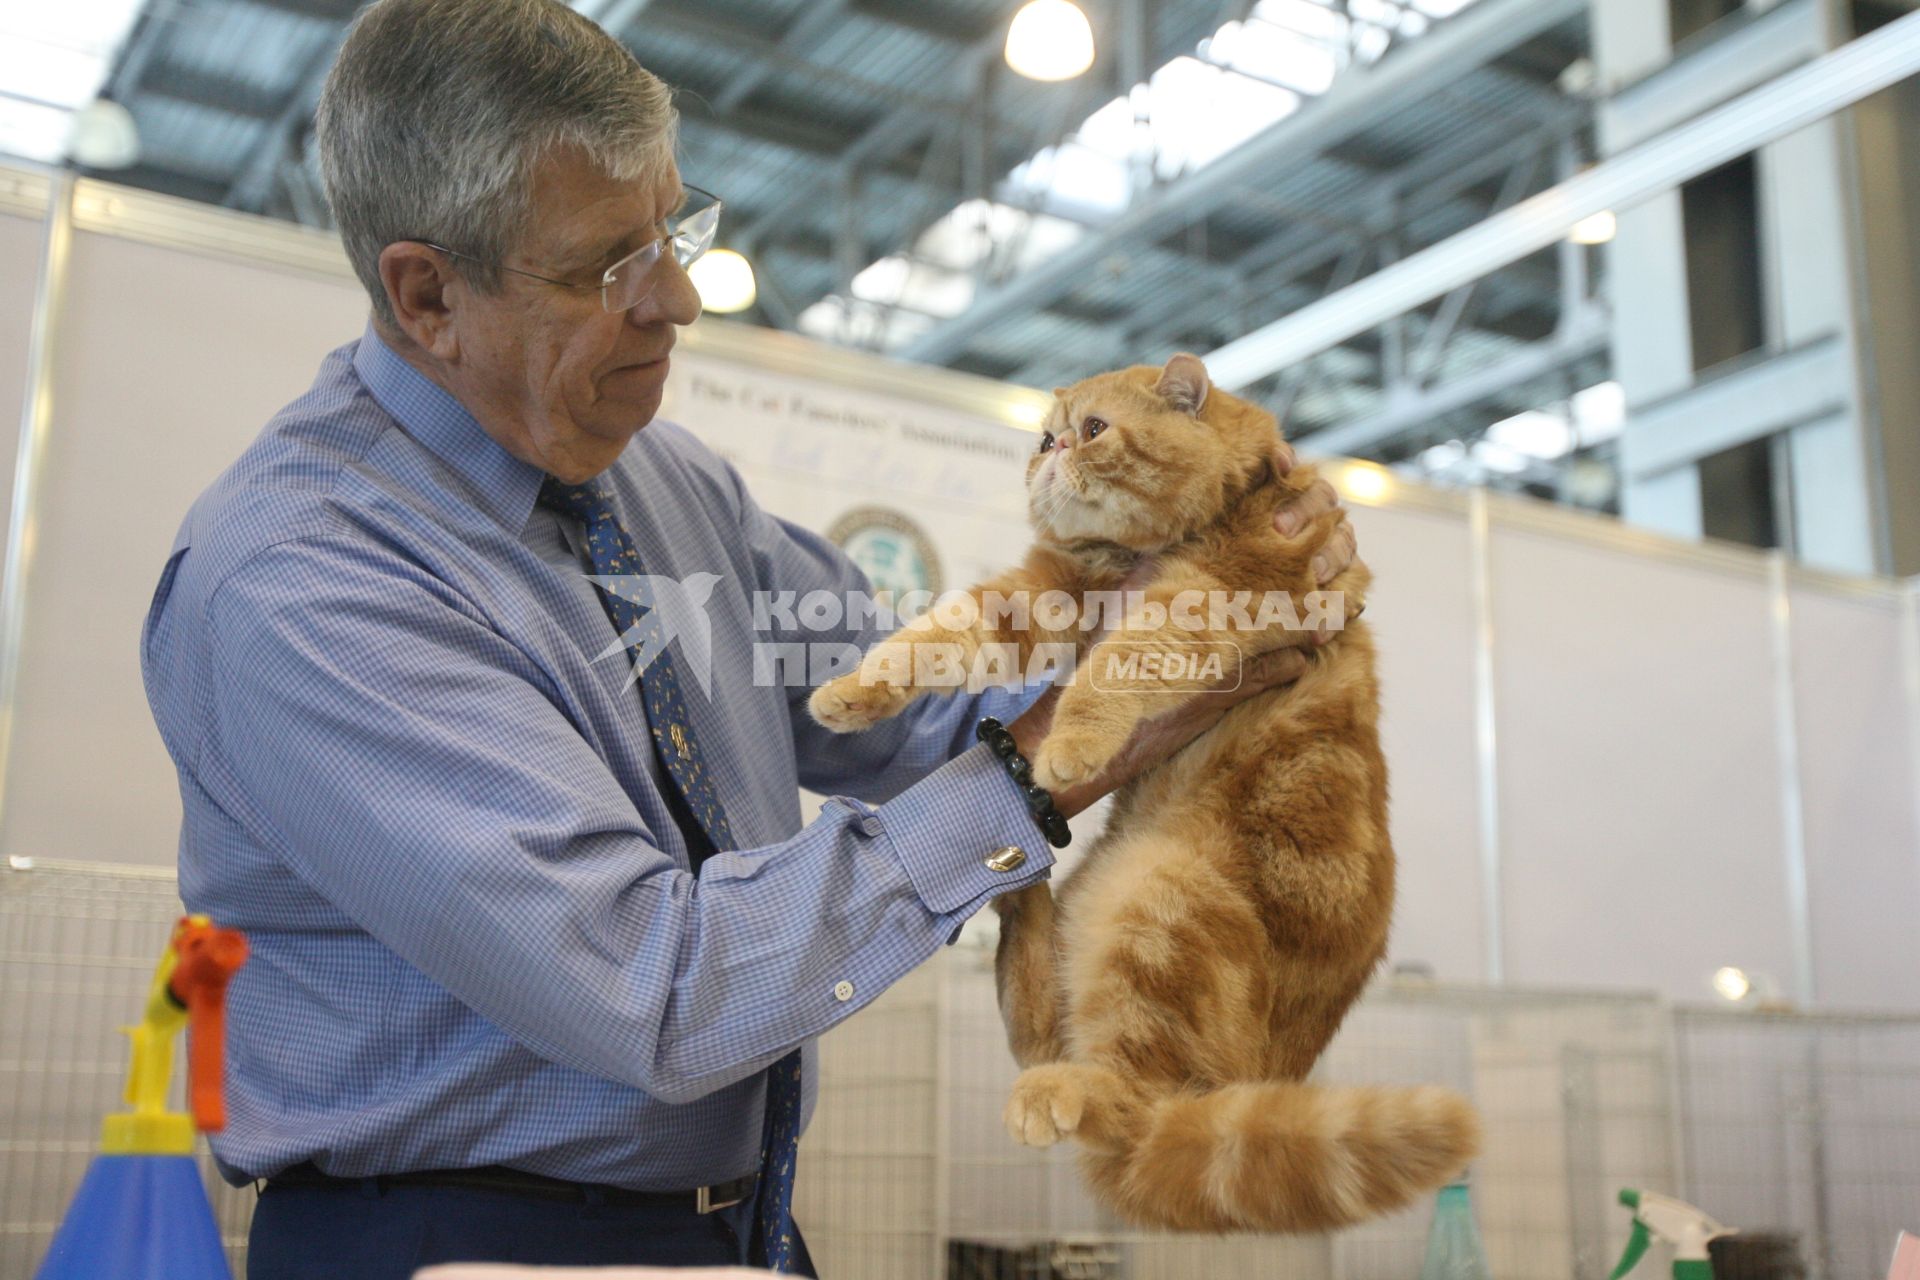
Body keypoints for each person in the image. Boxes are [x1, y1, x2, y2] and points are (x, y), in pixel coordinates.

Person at [137, 0, 1363, 1275]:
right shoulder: (305, 580)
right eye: (608, 268)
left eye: (672, 229)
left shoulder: (667, 487)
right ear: (428, 291)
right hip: (456, 1238)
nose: (674, 298)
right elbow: (650, 982)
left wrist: (1198, 593)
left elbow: (904, 706)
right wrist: (1055, 757)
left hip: (732, 1224)